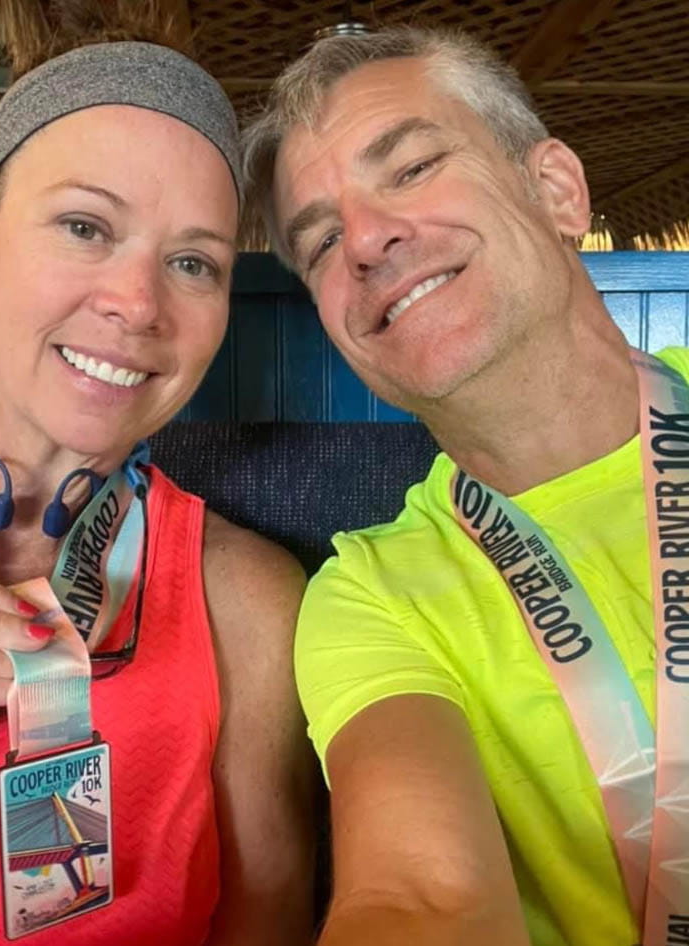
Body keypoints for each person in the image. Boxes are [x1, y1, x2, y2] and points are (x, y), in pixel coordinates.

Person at [242, 24, 689, 946]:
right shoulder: (372, 596)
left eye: (408, 169)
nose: (365, 241)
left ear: (555, 189)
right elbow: (419, 899)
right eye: (320, 240)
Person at [0, 4, 314, 945]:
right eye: (85, 225)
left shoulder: (247, 601)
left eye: (193, 261)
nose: (135, 303)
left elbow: (268, 916)